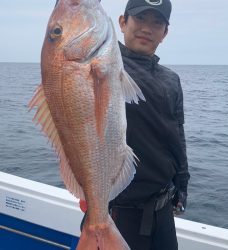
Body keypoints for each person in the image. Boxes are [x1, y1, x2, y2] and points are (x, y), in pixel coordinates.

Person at [79, 0, 190, 249]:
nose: (147, 28)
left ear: (165, 33)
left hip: (162, 212)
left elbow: (177, 134)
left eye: (157, 22)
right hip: (117, 212)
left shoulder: (172, 80)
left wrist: (182, 184)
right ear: (122, 22)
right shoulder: (102, 66)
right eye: (140, 19)